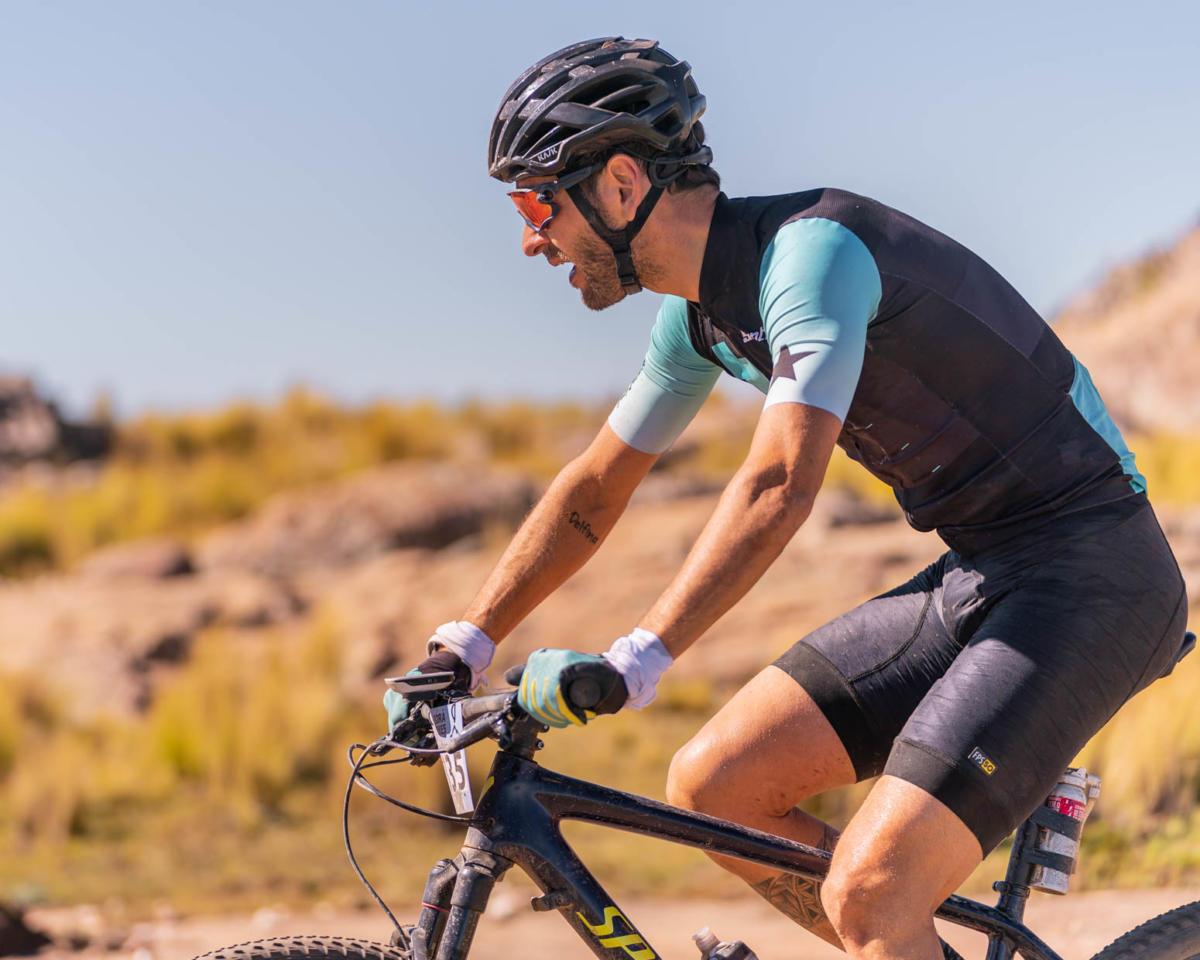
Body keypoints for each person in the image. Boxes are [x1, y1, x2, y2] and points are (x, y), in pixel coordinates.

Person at [385, 37, 1190, 960]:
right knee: (716, 788)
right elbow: (595, 489)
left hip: (1097, 578)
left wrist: (637, 660)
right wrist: (464, 642)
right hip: (983, 571)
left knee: (873, 891)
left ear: (619, 183)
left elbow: (778, 486)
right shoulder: (697, 320)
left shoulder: (811, 256)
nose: (532, 239)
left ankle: (886, 924)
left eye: (536, 204)